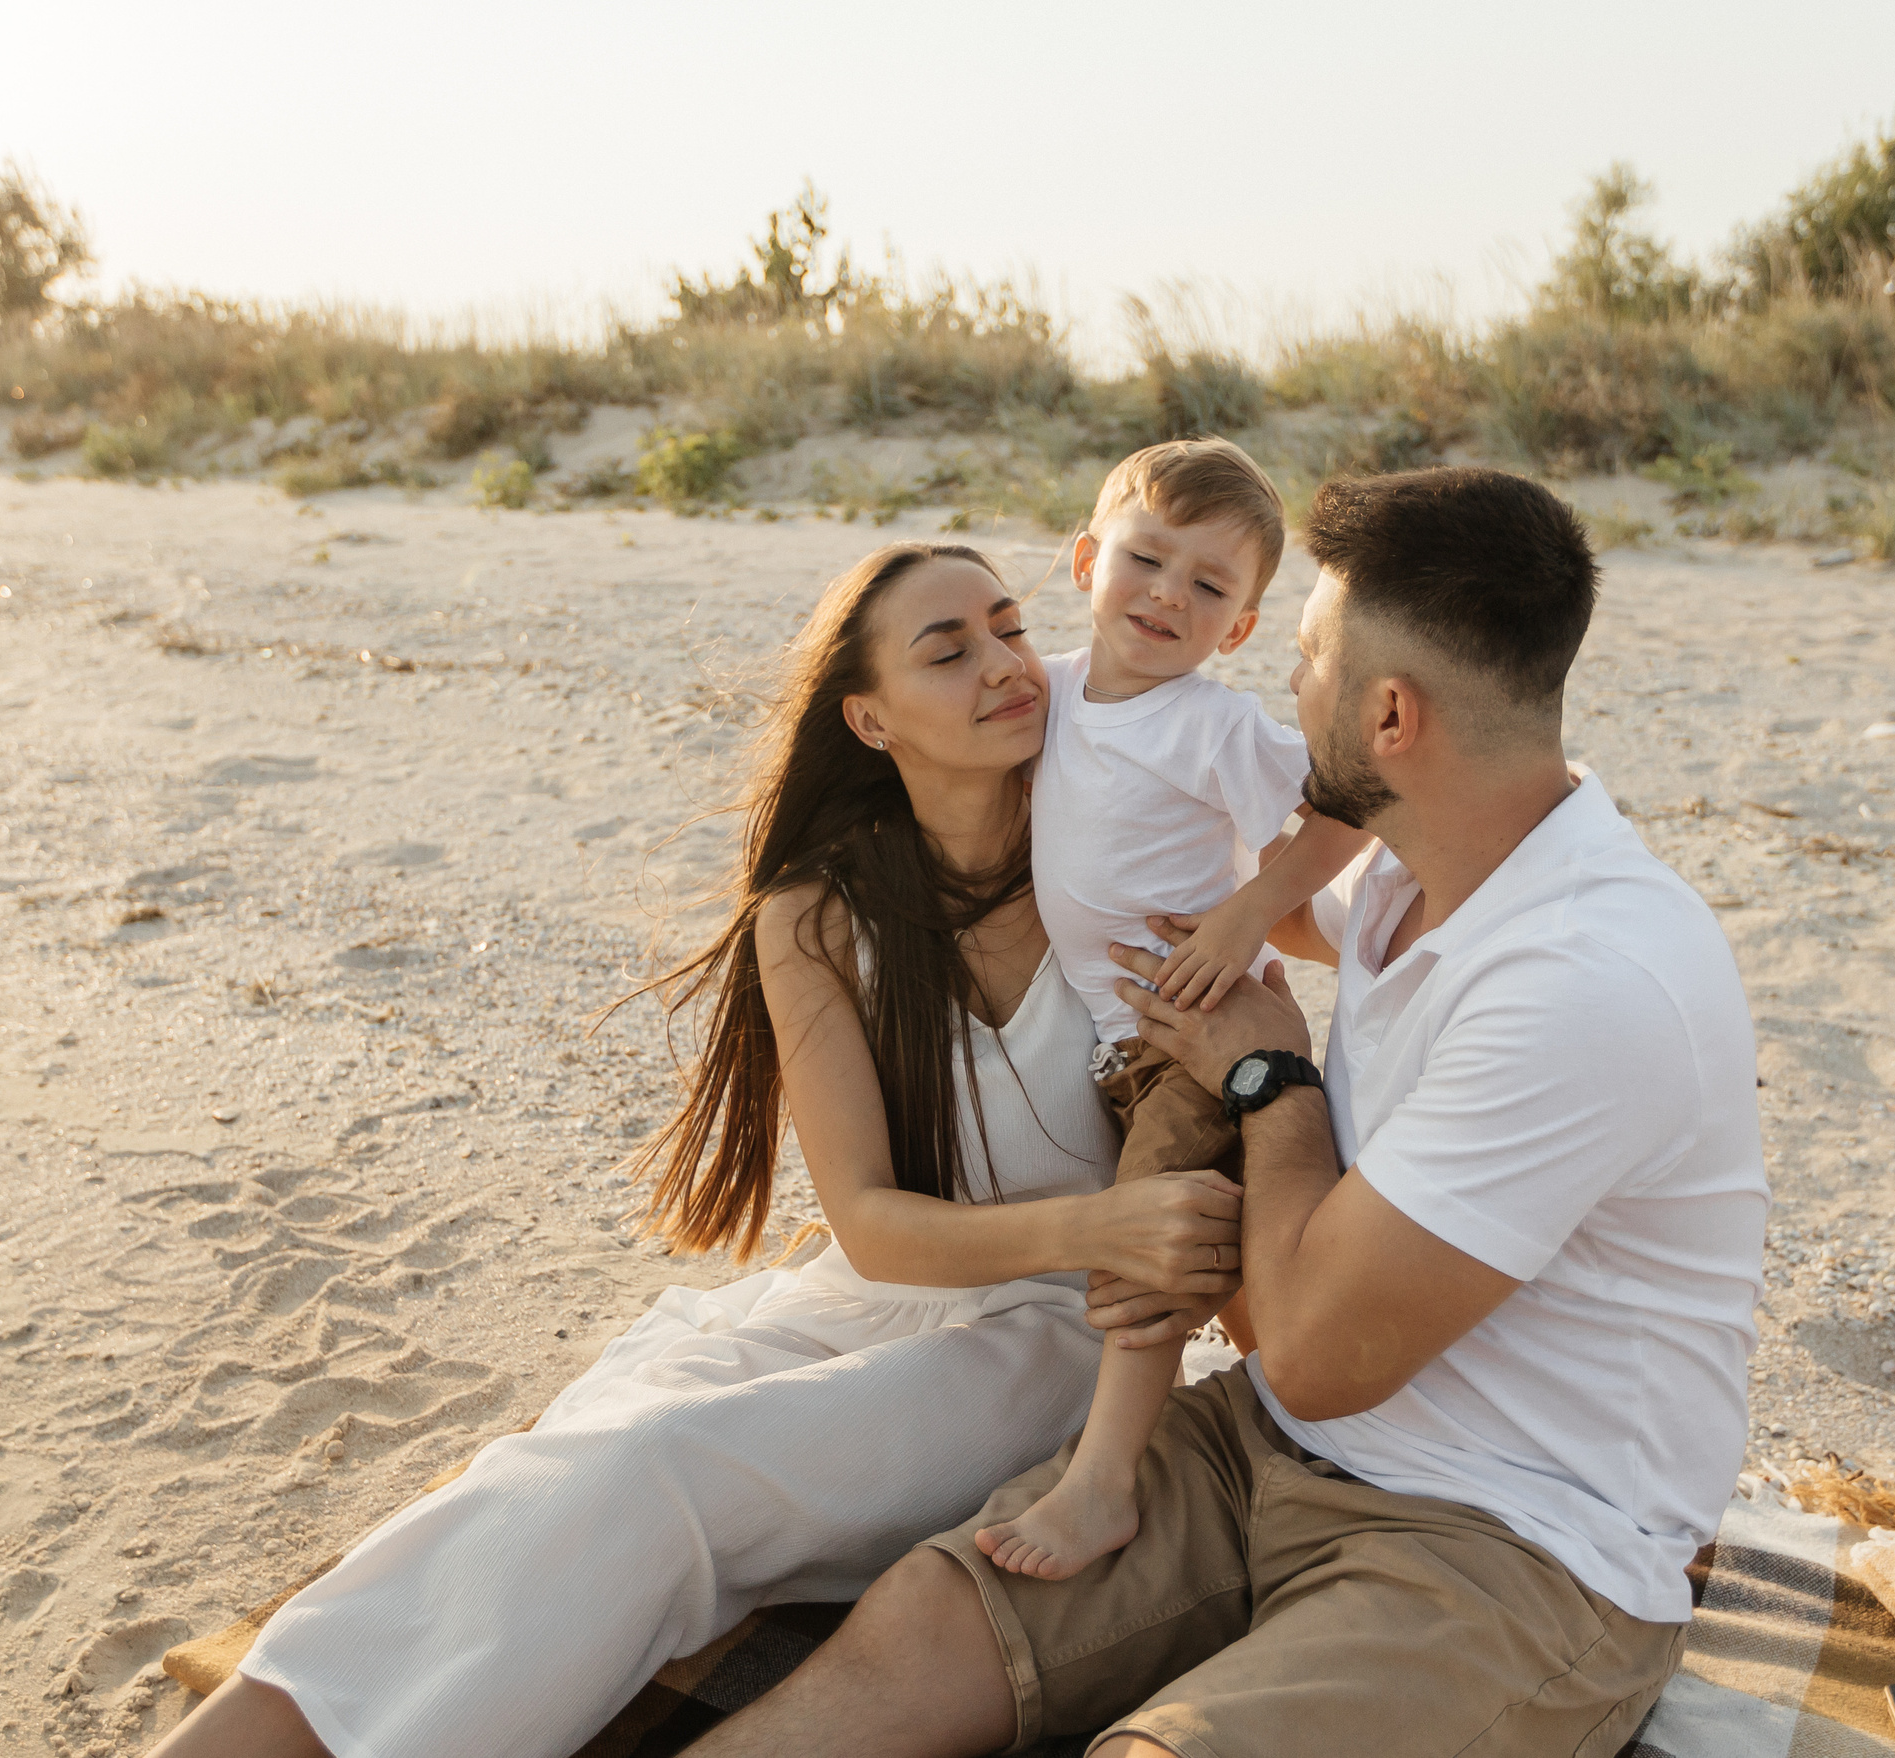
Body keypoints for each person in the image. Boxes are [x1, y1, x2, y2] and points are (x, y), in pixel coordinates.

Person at [683, 467, 1769, 1758]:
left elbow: (1313, 1344)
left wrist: (1269, 1078)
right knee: (921, 1625)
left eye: (1303, 654)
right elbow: (1174, 892)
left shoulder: (1591, 982)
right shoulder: (1407, 876)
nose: (1283, 688)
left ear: (1390, 714)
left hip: (1516, 1540)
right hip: (1271, 1444)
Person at [142, 542, 1250, 1758]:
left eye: (1007, 626)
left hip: (1052, 1335)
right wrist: (1095, 1220)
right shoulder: (818, 912)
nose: (1004, 665)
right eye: (949, 650)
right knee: (556, 1464)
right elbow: (871, 1226)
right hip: (872, 1292)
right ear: (869, 721)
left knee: (660, 1473)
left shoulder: (1129, 879)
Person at [976, 439, 1371, 1583]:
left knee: (1154, 1234)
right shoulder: (1047, 690)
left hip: (1195, 1034)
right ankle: (1313, 1438)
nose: (1167, 595)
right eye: (1147, 559)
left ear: (1239, 628)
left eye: (1208, 587)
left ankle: (1102, 1485)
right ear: (1087, 558)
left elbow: (1343, 809)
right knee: (1241, 1258)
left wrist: (1252, 908)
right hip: (1110, 1037)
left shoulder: (1208, 724)